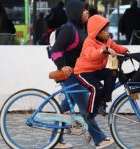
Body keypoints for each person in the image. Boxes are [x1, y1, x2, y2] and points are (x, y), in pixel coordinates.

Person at [49, 1, 116, 149]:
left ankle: (55, 140)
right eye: (83, 10)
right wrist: (62, 65)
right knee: (86, 106)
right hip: (70, 75)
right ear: (75, 12)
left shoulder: (82, 29)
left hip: (79, 73)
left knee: (65, 107)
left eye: (86, 10)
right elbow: (56, 50)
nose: (86, 12)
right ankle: (99, 139)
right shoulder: (69, 29)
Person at [74, 13, 128, 134]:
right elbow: (91, 55)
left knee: (112, 73)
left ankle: (104, 101)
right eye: (105, 30)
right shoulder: (89, 42)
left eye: (107, 29)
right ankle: (89, 114)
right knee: (97, 88)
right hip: (83, 72)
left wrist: (125, 51)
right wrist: (104, 50)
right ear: (97, 31)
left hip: (96, 70)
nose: (107, 32)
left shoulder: (106, 40)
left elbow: (116, 46)